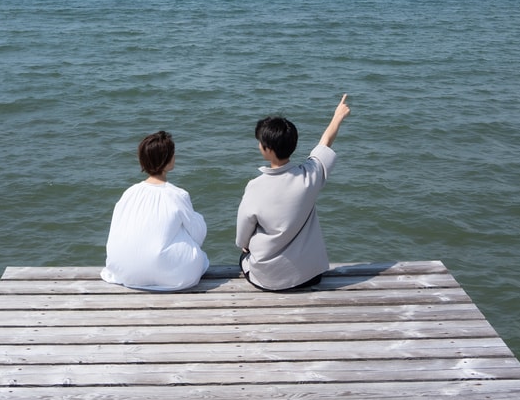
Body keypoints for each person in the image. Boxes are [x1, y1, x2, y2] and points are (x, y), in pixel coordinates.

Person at [236, 95, 350, 292]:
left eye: (260, 143)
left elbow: (242, 237)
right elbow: (325, 144)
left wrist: (244, 245)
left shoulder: (255, 187)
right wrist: (337, 117)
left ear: (268, 150)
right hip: (310, 276)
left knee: (243, 257)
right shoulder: (310, 175)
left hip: (269, 280)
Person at [101, 130, 209, 291]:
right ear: (168, 160)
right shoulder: (177, 195)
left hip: (124, 270)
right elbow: (198, 236)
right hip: (168, 272)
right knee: (201, 258)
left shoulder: (129, 193)